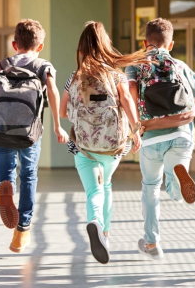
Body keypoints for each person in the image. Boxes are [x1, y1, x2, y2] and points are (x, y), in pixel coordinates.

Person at [127, 18, 195, 260]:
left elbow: (131, 96)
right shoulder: (179, 65)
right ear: (171, 44)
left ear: (144, 42)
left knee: (150, 187)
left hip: (151, 136)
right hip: (182, 133)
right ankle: (177, 179)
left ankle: (152, 242)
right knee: (174, 188)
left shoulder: (135, 66)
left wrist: (135, 128)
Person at [58, 21, 146, 264]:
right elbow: (127, 100)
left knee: (93, 190)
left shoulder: (74, 77)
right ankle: (104, 234)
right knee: (105, 185)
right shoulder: (115, 74)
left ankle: (95, 221)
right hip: (112, 145)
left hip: (83, 147)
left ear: (82, 46)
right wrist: (136, 130)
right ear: (105, 43)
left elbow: (63, 112)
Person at [0, 19, 69, 253]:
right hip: (30, 132)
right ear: (39, 46)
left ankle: (1, 192)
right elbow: (52, 91)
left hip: (0, 132)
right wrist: (57, 126)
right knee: (28, 175)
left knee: (7, 174)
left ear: (14, 44)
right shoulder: (43, 66)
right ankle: (22, 229)